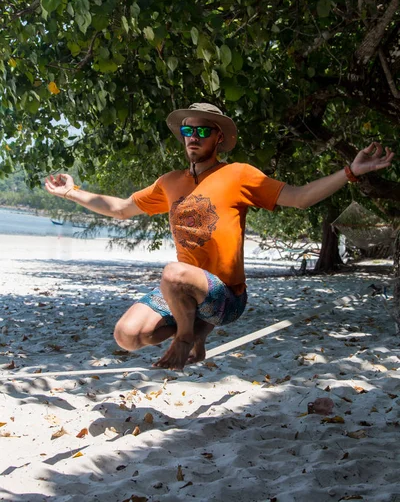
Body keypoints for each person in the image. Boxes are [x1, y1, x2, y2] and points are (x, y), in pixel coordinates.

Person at [45, 103, 394, 370]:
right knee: (127, 336)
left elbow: (300, 197)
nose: (193, 138)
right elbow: (120, 208)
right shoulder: (169, 182)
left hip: (225, 298)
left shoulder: (239, 174)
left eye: (202, 132)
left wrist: (351, 171)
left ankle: (188, 338)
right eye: (187, 131)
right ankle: (194, 332)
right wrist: (71, 192)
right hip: (183, 292)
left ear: (219, 138)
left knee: (173, 272)